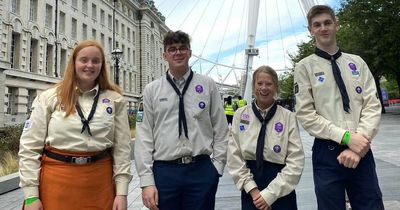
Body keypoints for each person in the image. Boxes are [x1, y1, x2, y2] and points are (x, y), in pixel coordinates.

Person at [18, 40, 133, 210]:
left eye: (96, 61)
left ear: (102, 65)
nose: (90, 65)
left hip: (99, 182)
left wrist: (122, 193)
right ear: (73, 63)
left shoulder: (115, 100)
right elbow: (29, 147)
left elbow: (122, 149)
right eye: (84, 60)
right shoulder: (50, 97)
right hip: (57, 181)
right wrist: (30, 197)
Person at [294, 5, 384, 210]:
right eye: (317, 25)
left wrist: (358, 144)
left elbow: (372, 104)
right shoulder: (304, 67)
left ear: (336, 25)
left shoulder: (358, 63)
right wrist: (346, 137)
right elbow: (306, 114)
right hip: (327, 152)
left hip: (362, 146)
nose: (323, 28)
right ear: (311, 30)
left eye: (327, 23)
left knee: (371, 205)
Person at [134, 30, 229, 210]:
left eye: (182, 48)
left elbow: (221, 128)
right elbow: (144, 135)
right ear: (164, 55)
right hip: (165, 172)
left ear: (190, 53)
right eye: (172, 49)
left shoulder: (208, 85)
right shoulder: (152, 90)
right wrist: (146, 181)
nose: (178, 53)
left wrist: (217, 167)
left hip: (200, 170)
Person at [227, 65, 305, 210]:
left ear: (276, 87)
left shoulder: (288, 117)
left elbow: (296, 160)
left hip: (281, 185)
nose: (264, 88)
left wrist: (270, 194)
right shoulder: (240, 115)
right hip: (251, 186)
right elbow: (234, 156)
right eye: (259, 83)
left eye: (269, 84)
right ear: (253, 86)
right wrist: (252, 189)